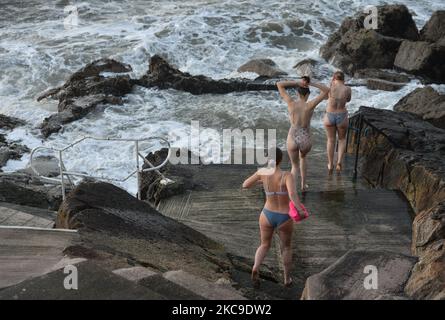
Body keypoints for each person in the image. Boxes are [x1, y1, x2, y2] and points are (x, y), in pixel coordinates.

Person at [242, 147, 304, 287]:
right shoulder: (287, 176)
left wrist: (261, 180)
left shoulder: (262, 172)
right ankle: (287, 279)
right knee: (286, 247)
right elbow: (293, 195)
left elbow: (245, 185)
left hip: (267, 214)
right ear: (280, 159)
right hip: (284, 217)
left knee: (264, 244)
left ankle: (256, 267)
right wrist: (300, 210)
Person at [277, 77, 330, 191]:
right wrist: (312, 83)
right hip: (305, 137)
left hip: (293, 136)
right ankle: (303, 185)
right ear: (308, 95)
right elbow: (326, 90)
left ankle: (292, 190)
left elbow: (279, 84)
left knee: (294, 166)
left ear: (297, 93)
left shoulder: (291, 103)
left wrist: (297, 82)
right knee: (303, 158)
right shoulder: (310, 105)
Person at [324, 71, 352, 173]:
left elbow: (326, 97)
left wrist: (331, 85)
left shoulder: (330, 88)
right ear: (343, 79)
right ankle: (339, 162)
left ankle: (330, 164)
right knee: (341, 140)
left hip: (329, 115)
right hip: (342, 115)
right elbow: (348, 100)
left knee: (331, 140)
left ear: (333, 78)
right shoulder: (347, 89)